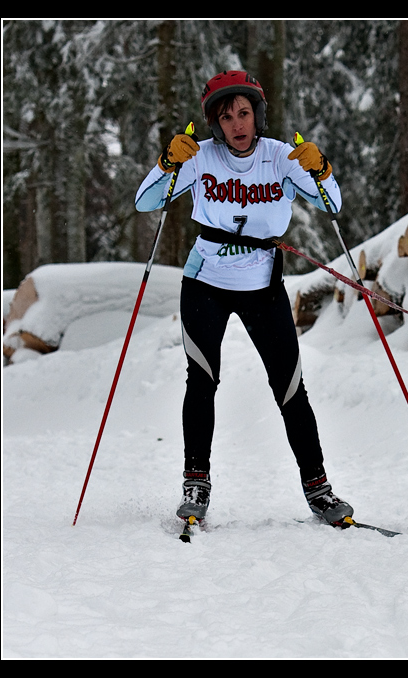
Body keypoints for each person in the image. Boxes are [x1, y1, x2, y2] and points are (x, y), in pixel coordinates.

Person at [135, 70, 353, 527]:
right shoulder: (200, 157)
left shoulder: (280, 158)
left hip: (263, 288)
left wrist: (320, 167)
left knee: (291, 388)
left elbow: (332, 205)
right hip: (205, 284)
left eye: (244, 113)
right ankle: (196, 482)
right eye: (226, 115)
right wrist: (166, 162)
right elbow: (146, 202)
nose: (237, 123)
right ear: (215, 122)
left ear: (257, 115)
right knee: (202, 380)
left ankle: (319, 489)